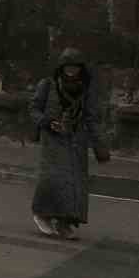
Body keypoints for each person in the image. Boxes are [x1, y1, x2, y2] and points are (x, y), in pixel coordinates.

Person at [30, 49, 109, 240]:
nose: (71, 70)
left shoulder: (86, 88)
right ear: (62, 67)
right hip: (53, 140)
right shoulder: (47, 85)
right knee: (53, 180)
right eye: (68, 66)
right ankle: (43, 214)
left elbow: (92, 118)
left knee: (74, 184)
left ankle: (65, 222)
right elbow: (33, 109)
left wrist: (99, 146)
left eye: (75, 67)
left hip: (76, 140)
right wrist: (47, 122)